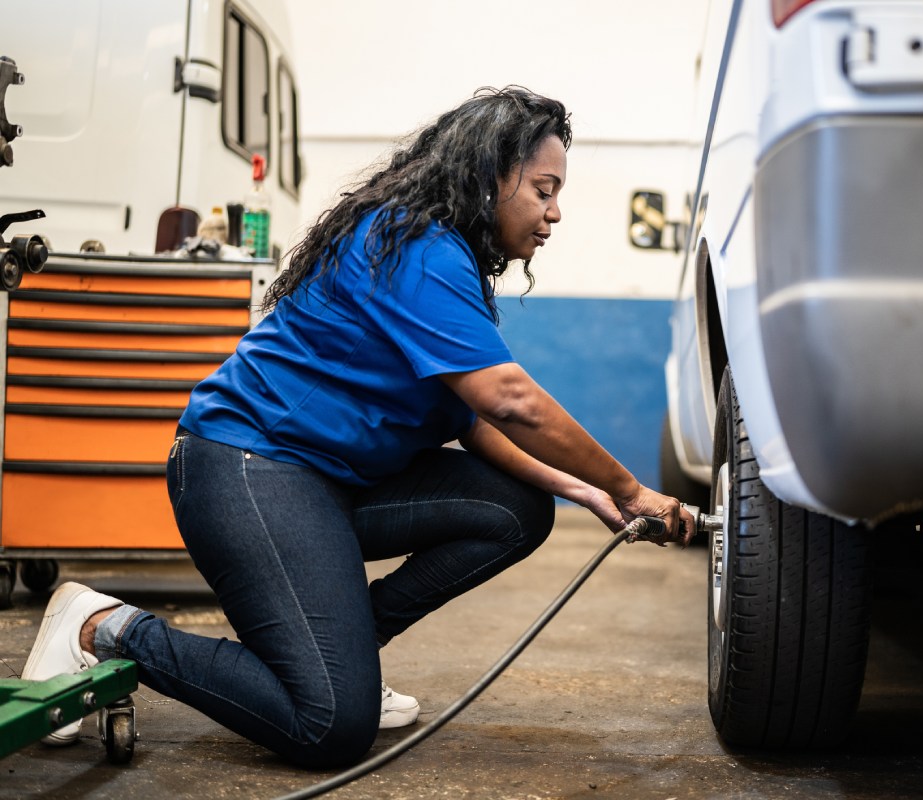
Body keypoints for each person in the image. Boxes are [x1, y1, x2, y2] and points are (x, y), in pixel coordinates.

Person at [20, 86, 694, 768]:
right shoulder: (414, 244)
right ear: (490, 176)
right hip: (248, 467)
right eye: (544, 189)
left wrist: (582, 492)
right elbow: (509, 401)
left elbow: (474, 422)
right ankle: (103, 626)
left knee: (517, 510)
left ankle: (339, 657)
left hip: (327, 484)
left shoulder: (450, 260)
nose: (555, 213)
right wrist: (632, 489)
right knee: (328, 726)